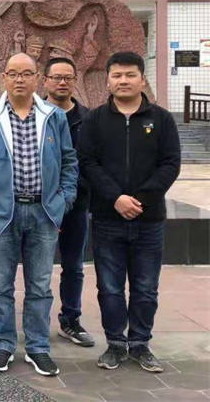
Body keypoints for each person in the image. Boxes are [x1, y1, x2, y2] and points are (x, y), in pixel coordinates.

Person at [0, 53, 77, 377]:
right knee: (0, 285)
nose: (20, 79)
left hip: (44, 213)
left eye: (27, 73)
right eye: (13, 73)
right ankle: (3, 345)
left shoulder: (54, 117)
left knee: (39, 286)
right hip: (2, 213)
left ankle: (38, 348)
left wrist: (64, 200)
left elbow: (69, 162)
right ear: (4, 77)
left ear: (37, 78)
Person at [78, 52, 180, 373]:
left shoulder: (161, 119)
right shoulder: (94, 120)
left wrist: (140, 200)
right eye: (117, 75)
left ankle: (140, 344)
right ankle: (115, 344)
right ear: (108, 80)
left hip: (148, 220)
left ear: (142, 79)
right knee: (109, 287)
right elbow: (87, 163)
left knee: (146, 287)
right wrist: (116, 198)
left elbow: (170, 164)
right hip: (108, 219)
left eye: (130, 75)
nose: (123, 81)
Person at [41, 57, 94, 348]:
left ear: (74, 81)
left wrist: (69, 196)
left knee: (73, 265)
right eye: (56, 77)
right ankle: (36, 323)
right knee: (37, 267)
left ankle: (70, 320)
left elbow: (93, 162)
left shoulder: (89, 119)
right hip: (38, 204)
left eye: (67, 77)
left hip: (76, 204)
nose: (62, 82)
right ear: (45, 80)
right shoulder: (33, 115)